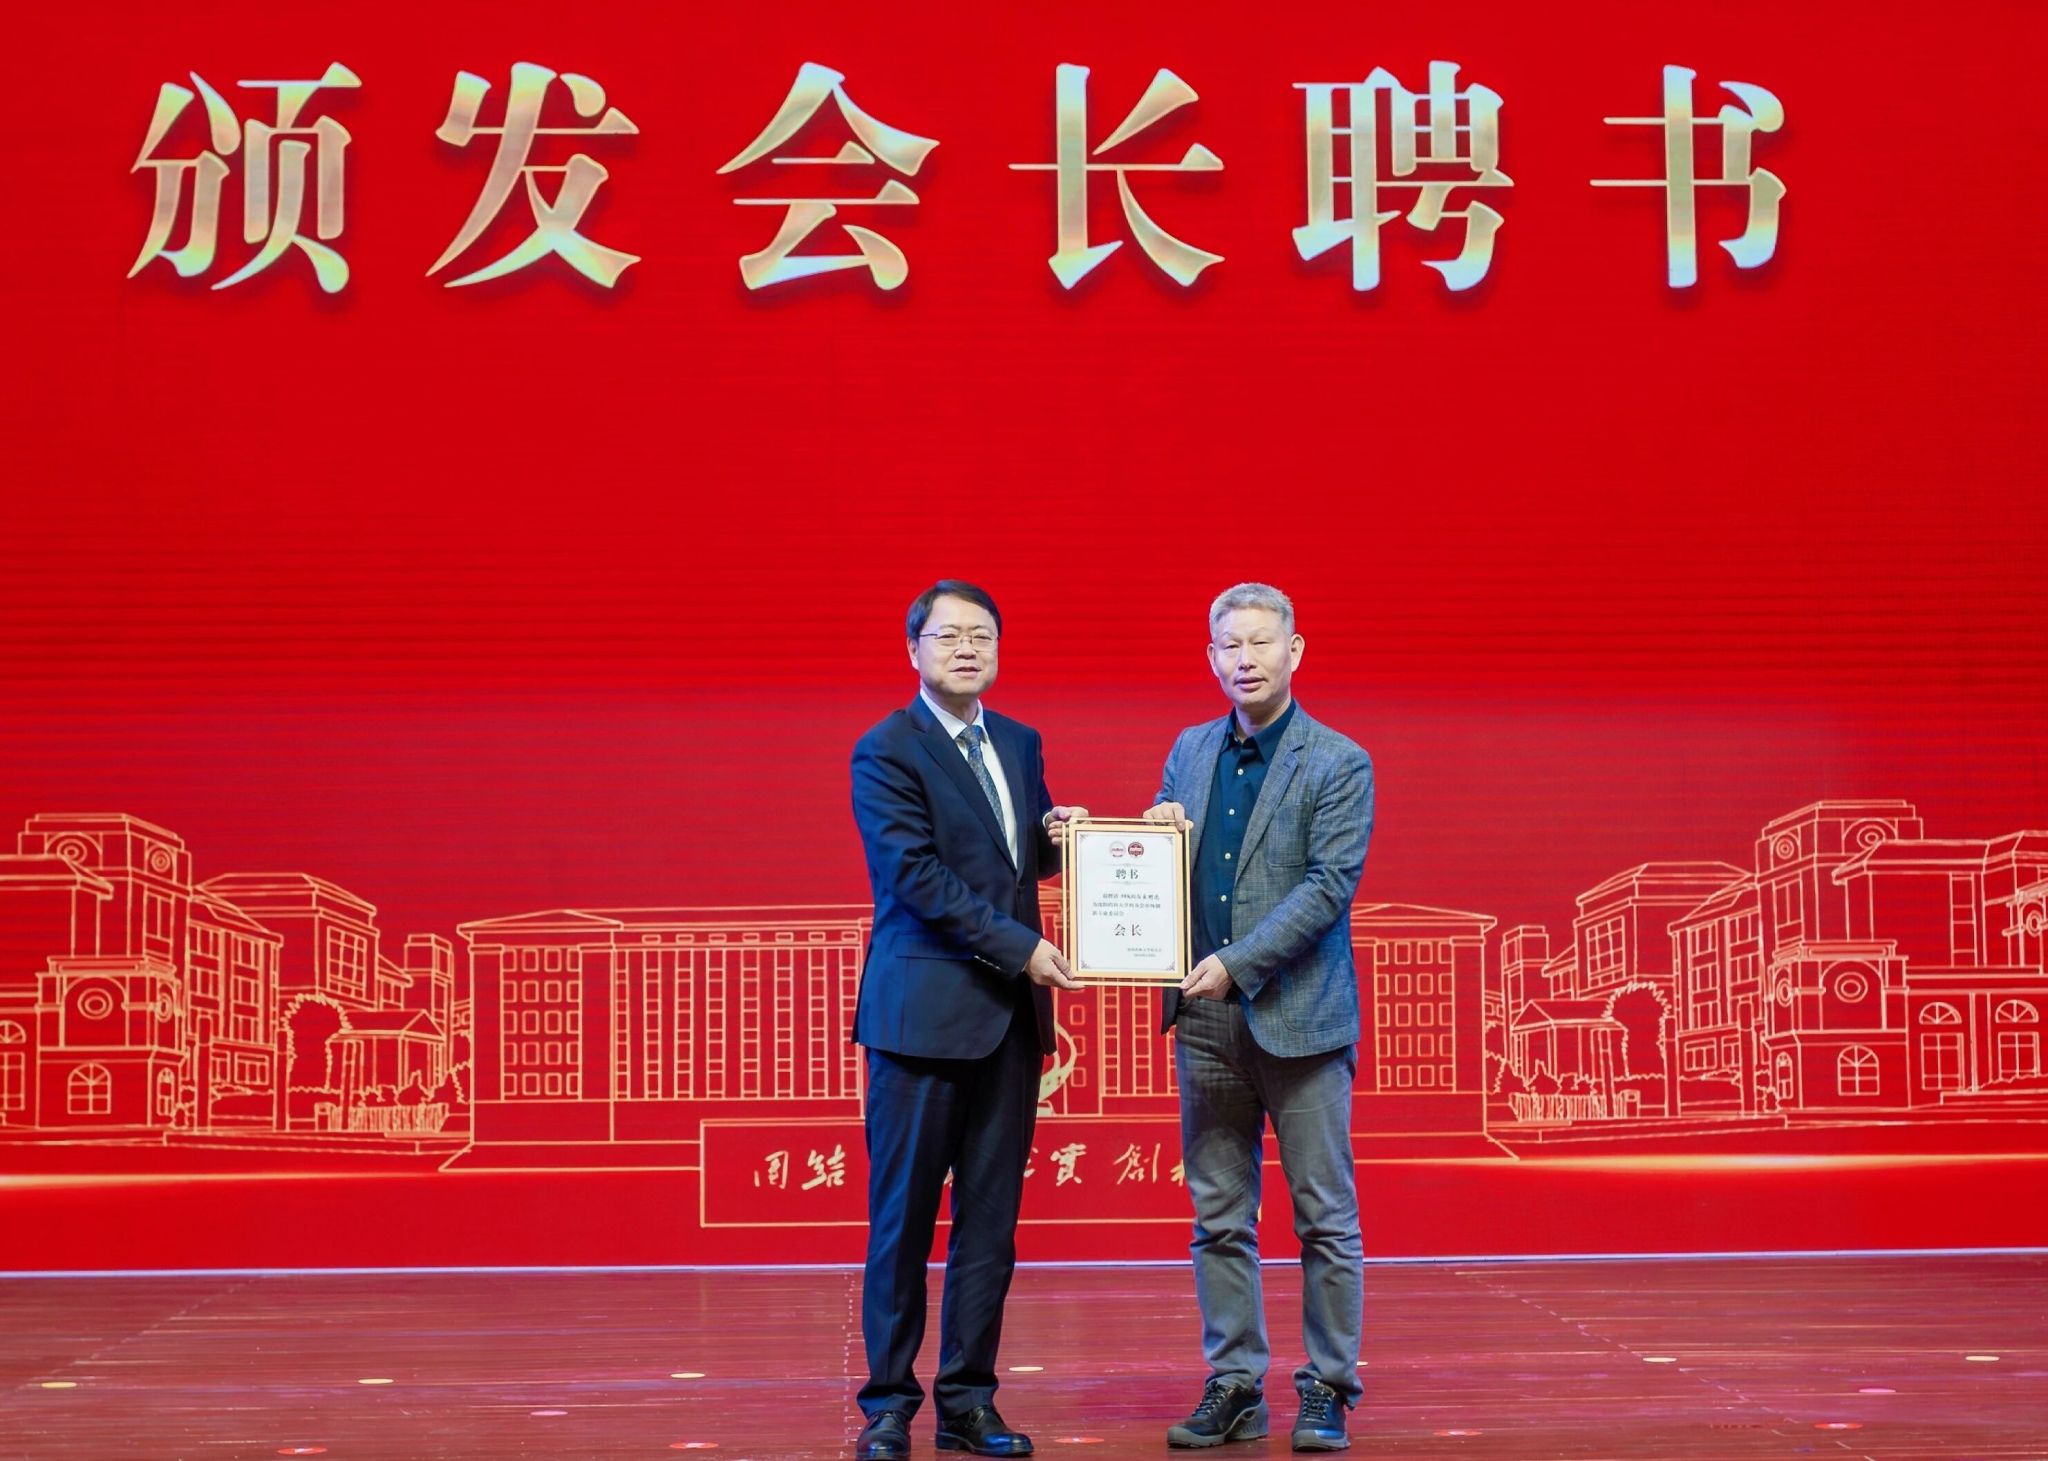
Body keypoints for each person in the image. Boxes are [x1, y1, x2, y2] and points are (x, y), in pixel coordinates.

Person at [849, 580, 1087, 1460]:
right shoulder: (886, 747)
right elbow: (915, 876)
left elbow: (1022, 858)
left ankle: (968, 1400)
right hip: (921, 1020)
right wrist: (1022, 948)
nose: (966, 648)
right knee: (903, 1221)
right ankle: (887, 1405)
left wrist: (1079, 838)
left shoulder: (1018, 742)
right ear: (913, 649)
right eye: (947, 635)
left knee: (991, 1225)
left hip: (1009, 1025)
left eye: (981, 635)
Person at [1144, 582, 1375, 1452]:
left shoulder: (1339, 760)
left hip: (1301, 1019)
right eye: (1229, 646)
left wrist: (1237, 964)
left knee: (1324, 1217)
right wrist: (1153, 836)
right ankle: (1235, 1383)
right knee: (1218, 1218)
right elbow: (1161, 869)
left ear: (1295, 650)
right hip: (1206, 1022)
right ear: (1211, 657)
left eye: (1260, 642)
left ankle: (1328, 1386)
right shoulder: (1189, 748)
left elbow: (1326, 887)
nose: (1245, 659)